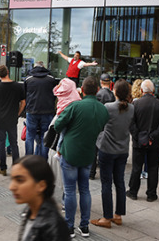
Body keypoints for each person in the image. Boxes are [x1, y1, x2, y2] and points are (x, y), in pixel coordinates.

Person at [54, 76, 108, 237]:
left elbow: (57, 125)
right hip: (88, 153)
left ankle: (69, 227)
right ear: (97, 90)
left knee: (70, 191)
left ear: (82, 90)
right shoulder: (103, 110)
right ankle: (84, 226)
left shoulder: (75, 106)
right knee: (85, 190)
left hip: (70, 152)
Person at [90, 80, 133, 229]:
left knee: (106, 183)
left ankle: (106, 217)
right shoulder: (132, 108)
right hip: (123, 149)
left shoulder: (108, 107)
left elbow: (98, 124)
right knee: (119, 182)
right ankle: (118, 215)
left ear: (115, 91)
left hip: (107, 149)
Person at [126, 79, 159, 202]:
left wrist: (139, 136)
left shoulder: (136, 104)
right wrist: (153, 136)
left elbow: (131, 123)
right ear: (153, 90)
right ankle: (151, 194)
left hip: (139, 141)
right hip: (154, 142)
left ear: (141, 90)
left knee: (137, 167)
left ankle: (133, 191)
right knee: (153, 168)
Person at [11, 155, 70, 241]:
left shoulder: (53, 225)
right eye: (12, 179)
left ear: (41, 185)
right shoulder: (29, 211)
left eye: (20, 180)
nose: (12, 187)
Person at [0, 64, 26, 176]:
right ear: (8, 71)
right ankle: (16, 169)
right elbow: (23, 102)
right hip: (12, 118)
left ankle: (3, 168)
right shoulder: (18, 86)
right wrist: (18, 113)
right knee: (14, 143)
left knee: (1, 143)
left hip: (0, 119)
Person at [24, 61, 56, 158]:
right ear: (44, 67)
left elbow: (25, 94)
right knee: (44, 137)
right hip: (47, 111)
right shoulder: (51, 79)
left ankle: (28, 159)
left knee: (30, 136)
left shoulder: (28, 79)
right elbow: (54, 94)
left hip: (32, 111)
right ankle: (43, 160)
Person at [91, 73, 116, 179]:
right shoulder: (112, 95)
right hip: (109, 124)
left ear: (101, 82)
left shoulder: (98, 94)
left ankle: (91, 172)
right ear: (110, 83)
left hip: (98, 124)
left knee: (94, 149)